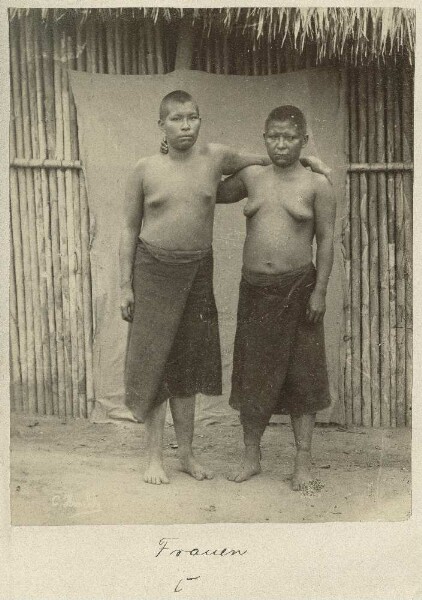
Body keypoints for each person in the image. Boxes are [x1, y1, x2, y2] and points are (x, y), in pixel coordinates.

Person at [119, 91, 330, 485]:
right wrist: (123, 286)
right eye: (177, 119)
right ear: (161, 125)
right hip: (156, 272)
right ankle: (155, 459)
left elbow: (270, 158)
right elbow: (132, 228)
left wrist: (307, 162)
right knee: (157, 367)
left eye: (193, 117)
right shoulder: (145, 169)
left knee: (189, 368)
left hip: (210, 272)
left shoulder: (217, 159)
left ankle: (188, 456)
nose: (186, 125)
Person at [217, 105, 336, 491]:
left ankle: (303, 462)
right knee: (253, 375)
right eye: (273, 136)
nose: (280, 144)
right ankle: (252, 456)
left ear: (303, 140)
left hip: (300, 289)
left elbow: (327, 240)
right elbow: (208, 186)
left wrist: (319, 291)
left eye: (289, 137)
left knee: (303, 377)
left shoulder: (317, 185)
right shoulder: (252, 177)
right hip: (255, 290)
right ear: (264, 138)